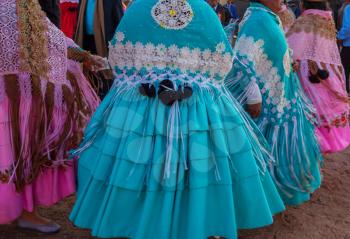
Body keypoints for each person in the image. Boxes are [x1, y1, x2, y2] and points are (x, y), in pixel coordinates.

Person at [69, 0, 286, 238]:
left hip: (139, 111)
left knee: (136, 167)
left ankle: (139, 222)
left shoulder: (139, 8)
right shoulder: (203, 11)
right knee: (198, 168)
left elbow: (119, 61)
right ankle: (195, 222)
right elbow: (223, 63)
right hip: (197, 112)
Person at [0, 0, 101, 233]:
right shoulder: (17, 5)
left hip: (16, 92)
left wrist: (83, 56)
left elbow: (49, 38)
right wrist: (84, 56)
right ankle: (24, 212)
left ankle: (23, 211)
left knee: (15, 151)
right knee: (15, 149)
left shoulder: (23, 5)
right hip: (14, 95)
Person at [226, 0, 323, 206]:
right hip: (267, 103)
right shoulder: (257, 20)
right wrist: (253, 96)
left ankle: (277, 193)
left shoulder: (268, 17)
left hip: (280, 97)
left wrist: (289, 59)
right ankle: (265, 198)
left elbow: (271, 49)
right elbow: (242, 61)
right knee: (265, 150)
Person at [287, 0, 350, 153]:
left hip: (306, 74)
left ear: (303, 5)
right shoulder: (327, 20)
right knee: (322, 115)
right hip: (324, 73)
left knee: (308, 118)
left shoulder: (305, 21)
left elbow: (290, 47)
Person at [75, 0, 124, 98]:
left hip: (104, 46)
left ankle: (103, 103)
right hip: (86, 43)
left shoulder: (112, 1)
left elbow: (119, 24)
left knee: (105, 79)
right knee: (88, 79)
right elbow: (78, 23)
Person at [338, 0, 350, 94]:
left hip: (348, 46)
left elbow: (347, 27)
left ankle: (346, 92)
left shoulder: (348, 8)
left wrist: (339, 37)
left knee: (344, 71)